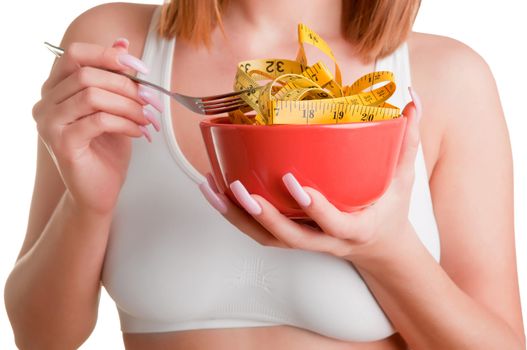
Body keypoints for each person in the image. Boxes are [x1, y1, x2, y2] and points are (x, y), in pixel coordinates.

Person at [4, 0, 525, 349]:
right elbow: (41, 337)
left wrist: (383, 250)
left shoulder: (450, 77)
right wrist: (87, 203)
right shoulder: (119, 51)